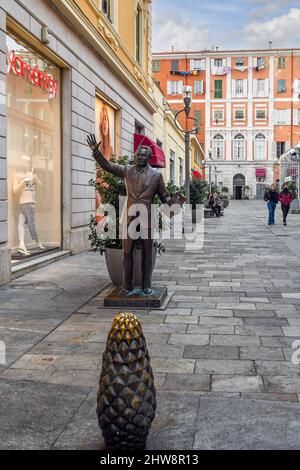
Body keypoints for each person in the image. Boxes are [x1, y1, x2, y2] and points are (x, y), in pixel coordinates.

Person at [87, 133, 183, 295]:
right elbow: (108, 166)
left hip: (147, 217)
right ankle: (128, 286)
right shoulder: (127, 171)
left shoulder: (157, 176)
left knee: (147, 252)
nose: (139, 157)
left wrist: (176, 203)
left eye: (143, 155)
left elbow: (164, 196)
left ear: (149, 158)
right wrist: (97, 152)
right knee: (126, 252)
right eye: (138, 154)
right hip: (129, 217)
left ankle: (146, 285)